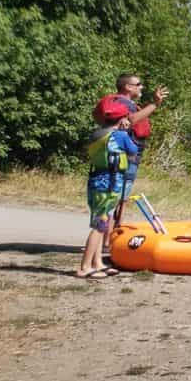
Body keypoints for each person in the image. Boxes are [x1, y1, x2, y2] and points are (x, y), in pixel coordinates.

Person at [93, 74, 168, 224]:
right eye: (138, 84)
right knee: (120, 199)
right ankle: (109, 241)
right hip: (125, 157)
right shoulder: (123, 103)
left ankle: (105, 239)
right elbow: (131, 120)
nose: (142, 87)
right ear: (128, 87)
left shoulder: (115, 102)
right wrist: (155, 104)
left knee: (115, 198)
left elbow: (97, 117)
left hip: (117, 154)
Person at [78, 116, 141, 279]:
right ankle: (85, 267)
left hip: (96, 182)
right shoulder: (119, 135)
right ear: (121, 120)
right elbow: (134, 150)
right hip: (109, 184)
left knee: (101, 223)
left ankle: (97, 263)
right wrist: (125, 131)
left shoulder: (98, 134)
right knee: (100, 225)